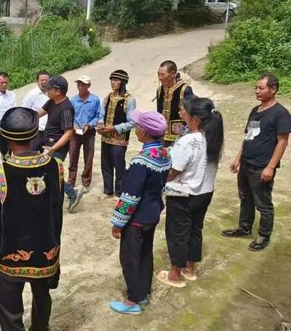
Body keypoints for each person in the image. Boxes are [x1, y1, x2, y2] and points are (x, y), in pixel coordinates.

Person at [0, 107, 64, 331]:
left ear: (6, 138)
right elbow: (56, 209)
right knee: (42, 296)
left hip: (10, 256)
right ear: (34, 135)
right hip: (47, 251)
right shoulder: (56, 166)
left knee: (10, 312)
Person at [155, 97, 224, 288]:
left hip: (183, 193)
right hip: (204, 192)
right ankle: (189, 269)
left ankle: (174, 275)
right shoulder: (213, 138)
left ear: (196, 117)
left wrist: (159, 181)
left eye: (184, 111)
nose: (181, 114)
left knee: (177, 233)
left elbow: (174, 169)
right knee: (195, 229)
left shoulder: (189, 140)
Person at [109, 110, 171, 315]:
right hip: (152, 214)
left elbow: (130, 196)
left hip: (136, 219)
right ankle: (143, 293)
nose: (135, 130)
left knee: (130, 258)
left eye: (137, 127)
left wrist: (118, 223)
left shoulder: (141, 160)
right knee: (145, 254)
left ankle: (132, 301)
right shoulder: (164, 154)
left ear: (143, 132)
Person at [221, 73, 291, 251]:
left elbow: (282, 141)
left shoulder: (280, 114)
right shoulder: (255, 110)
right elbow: (248, 137)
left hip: (262, 166)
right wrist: (238, 158)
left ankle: (264, 235)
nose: (257, 91)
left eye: (261, 88)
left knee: (263, 203)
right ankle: (244, 228)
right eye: (256, 88)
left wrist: (270, 167)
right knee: (245, 198)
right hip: (246, 163)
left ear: (273, 89)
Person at [37, 75, 76, 206]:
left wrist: (53, 149)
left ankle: (72, 194)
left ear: (58, 91)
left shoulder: (66, 108)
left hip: (58, 147)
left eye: (49, 89)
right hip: (48, 144)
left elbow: (69, 132)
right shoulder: (52, 101)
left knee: (51, 173)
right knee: (49, 173)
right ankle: (59, 196)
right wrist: (25, 116)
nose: (46, 91)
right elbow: (38, 113)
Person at [97, 70, 136, 198]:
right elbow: (101, 113)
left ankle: (119, 191)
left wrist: (114, 128)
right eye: (112, 80)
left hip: (119, 139)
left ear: (123, 82)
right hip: (105, 137)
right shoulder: (108, 96)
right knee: (105, 164)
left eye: (116, 80)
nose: (113, 83)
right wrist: (100, 124)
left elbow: (132, 122)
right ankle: (108, 189)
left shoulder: (129, 100)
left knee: (119, 165)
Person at [67, 75, 102, 212]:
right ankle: (71, 181)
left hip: (89, 132)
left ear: (88, 86)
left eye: (83, 84)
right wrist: (73, 124)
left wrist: (91, 124)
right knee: (73, 156)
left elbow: (99, 115)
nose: (81, 86)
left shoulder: (95, 100)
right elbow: (69, 115)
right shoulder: (73, 100)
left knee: (89, 157)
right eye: (79, 84)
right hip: (75, 133)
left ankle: (86, 182)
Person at [156, 60, 194, 146]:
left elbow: (190, 113)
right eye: (158, 74)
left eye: (162, 74)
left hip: (179, 134)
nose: (159, 78)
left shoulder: (185, 90)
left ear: (172, 74)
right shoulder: (160, 90)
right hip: (162, 133)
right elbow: (159, 111)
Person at [22, 70, 50, 152]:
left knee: (46, 157)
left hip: (49, 131)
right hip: (36, 132)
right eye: (42, 80)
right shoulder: (31, 95)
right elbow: (24, 112)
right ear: (37, 81)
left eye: (46, 80)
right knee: (32, 154)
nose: (44, 82)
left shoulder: (52, 93)